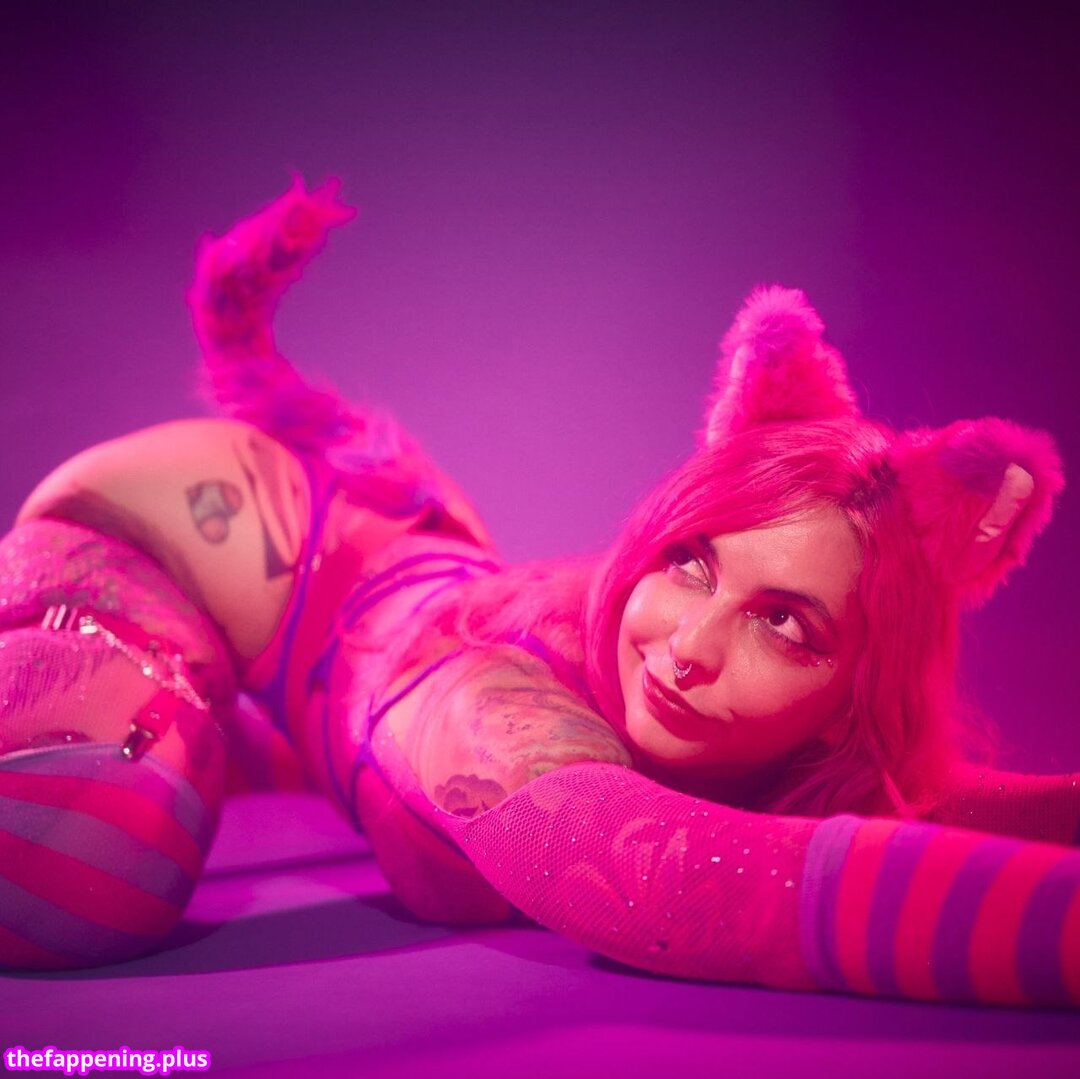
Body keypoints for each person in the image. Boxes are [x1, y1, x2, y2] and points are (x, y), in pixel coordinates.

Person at [1, 181, 1077, 1006]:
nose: (688, 646)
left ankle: (256, 737)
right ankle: (237, 731)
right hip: (187, 523)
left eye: (784, 622)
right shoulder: (497, 704)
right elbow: (653, 875)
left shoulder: (813, 753)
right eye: (689, 560)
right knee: (75, 856)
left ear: (851, 698)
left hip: (384, 573)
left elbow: (934, 802)